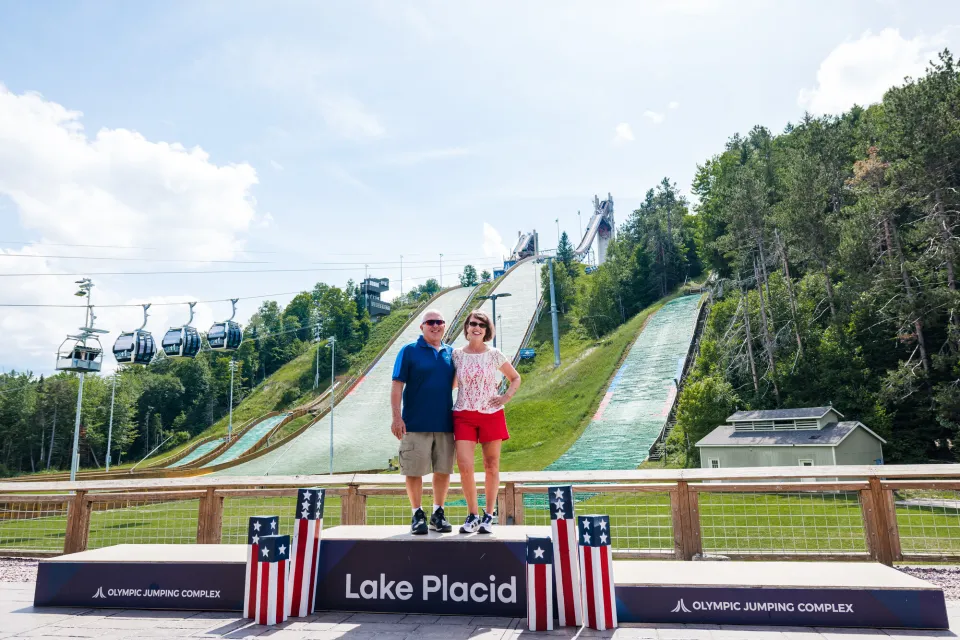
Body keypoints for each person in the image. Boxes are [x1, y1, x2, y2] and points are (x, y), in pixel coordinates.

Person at [452, 310, 521, 533]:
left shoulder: (494, 354)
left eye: (482, 325)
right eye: (473, 323)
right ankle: (472, 515)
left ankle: (488, 516)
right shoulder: (456, 355)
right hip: (463, 414)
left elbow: (515, 377)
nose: (477, 328)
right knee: (464, 466)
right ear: (466, 327)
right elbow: (451, 383)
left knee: (491, 466)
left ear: (486, 330)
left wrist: (505, 397)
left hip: (491, 413)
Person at [391, 309, 455, 535]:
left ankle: (438, 513)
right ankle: (417, 513)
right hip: (415, 423)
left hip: (445, 423)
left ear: (444, 325)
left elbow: (455, 383)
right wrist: (396, 417)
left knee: (443, 470)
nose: (435, 325)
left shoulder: (451, 353)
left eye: (439, 321)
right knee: (414, 470)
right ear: (422, 326)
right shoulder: (409, 351)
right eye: (430, 322)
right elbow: (397, 385)